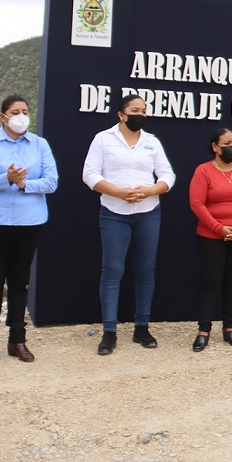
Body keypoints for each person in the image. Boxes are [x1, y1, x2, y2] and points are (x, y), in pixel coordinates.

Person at [82, 94, 175, 354]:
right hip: (114, 212)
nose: (141, 115)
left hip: (148, 211)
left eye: (144, 110)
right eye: (135, 110)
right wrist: (118, 192)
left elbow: (168, 175)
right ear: (121, 115)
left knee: (146, 270)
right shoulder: (103, 139)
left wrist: (150, 190)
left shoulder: (151, 142)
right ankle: (109, 331)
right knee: (112, 270)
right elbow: (89, 174)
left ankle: (141, 327)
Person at [0, 95, 58, 364]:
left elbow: (51, 181)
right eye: (15, 111)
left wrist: (23, 185)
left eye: (25, 111)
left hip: (29, 221)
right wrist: (5, 178)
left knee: (19, 281)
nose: (21, 116)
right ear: (3, 117)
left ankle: (17, 340)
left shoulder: (39, 144)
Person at [188, 127, 232, 351]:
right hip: (211, 234)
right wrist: (219, 228)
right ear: (215, 147)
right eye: (227, 143)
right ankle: (204, 329)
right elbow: (197, 204)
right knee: (210, 281)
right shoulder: (203, 171)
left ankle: (230, 328)